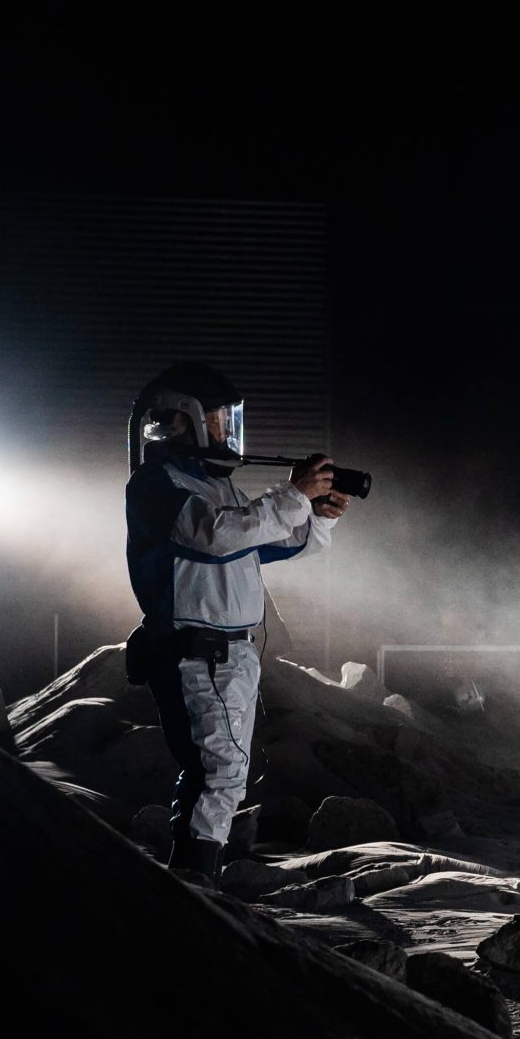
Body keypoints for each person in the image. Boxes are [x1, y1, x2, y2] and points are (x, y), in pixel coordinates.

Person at [122, 362, 351, 883]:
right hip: (196, 653)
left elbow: (265, 540)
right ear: (185, 419)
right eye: (219, 418)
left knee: (221, 774)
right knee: (217, 773)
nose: (228, 429)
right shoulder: (157, 485)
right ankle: (194, 889)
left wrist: (317, 516)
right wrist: (292, 496)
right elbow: (214, 536)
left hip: (228, 655)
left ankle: (196, 883)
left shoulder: (214, 487)